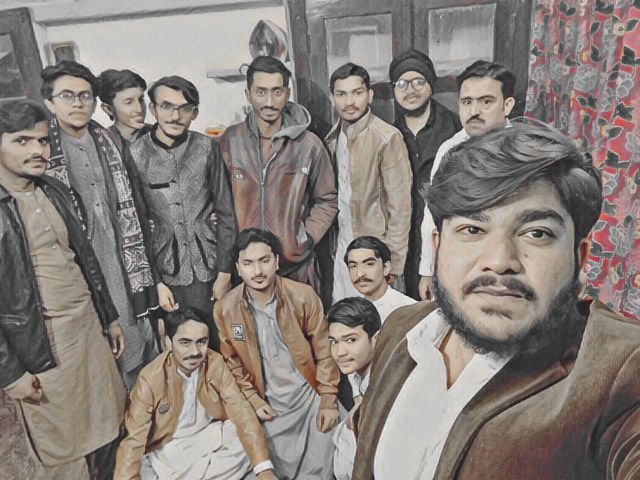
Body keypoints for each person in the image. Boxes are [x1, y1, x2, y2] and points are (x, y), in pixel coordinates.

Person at [351, 122, 640, 479]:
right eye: (473, 229)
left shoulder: (623, 367)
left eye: (537, 233)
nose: (500, 260)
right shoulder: (400, 328)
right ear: (437, 248)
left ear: (579, 259)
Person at [0, 99, 125, 479]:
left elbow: (84, 259)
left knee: (109, 428)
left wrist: (109, 318)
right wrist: (9, 373)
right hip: (42, 347)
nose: (37, 150)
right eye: (22, 141)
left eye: (42, 140)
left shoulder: (53, 189)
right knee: (64, 451)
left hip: (87, 331)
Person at [41, 60, 158, 390]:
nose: (77, 103)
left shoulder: (109, 140)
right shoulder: (42, 150)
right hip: (76, 268)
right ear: (50, 102)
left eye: (85, 96)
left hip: (121, 261)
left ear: (95, 102)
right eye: (67, 95)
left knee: (137, 340)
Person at [214, 228, 340, 479]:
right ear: (238, 269)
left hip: (308, 398)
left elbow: (325, 351)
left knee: (328, 461)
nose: (257, 271)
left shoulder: (302, 296)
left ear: (276, 262)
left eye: (264, 260)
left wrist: (327, 399)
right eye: (248, 263)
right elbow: (232, 362)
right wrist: (254, 400)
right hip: (267, 406)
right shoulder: (226, 309)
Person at [129, 75, 236, 350]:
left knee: (220, 343)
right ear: (153, 109)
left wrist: (225, 272)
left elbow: (226, 212)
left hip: (210, 267)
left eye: (184, 108)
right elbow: (137, 225)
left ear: (195, 113)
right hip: (166, 271)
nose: (175, 116)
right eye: (167, 106)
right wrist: (156, 283)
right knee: (181, 346)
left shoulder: (207, 147)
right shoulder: (135, 154)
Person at [114, 307, 277, 480]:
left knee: (246, 436)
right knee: (144, 468)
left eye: (201, 342)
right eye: (185, 343)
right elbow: (133, 440)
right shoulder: (151, 378)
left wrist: (264, 469)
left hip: (207, 436)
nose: (195, 352)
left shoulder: (214, 362)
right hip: (169, 450)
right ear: (168, 342)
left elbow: (240, 409)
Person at [220, 56, 337, 292]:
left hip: (295, 269)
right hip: (246, 269)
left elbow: (327, 200)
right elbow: (218, 201)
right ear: (248, 94)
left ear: (287, 93)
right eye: (261, 92)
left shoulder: (309, 145)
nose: (269, 102)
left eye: (277, 92)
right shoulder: (229, 141)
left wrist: (303, 240)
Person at [418, 60, 515, 300]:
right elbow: (432, 214)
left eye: (486, 102)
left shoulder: (522, 150)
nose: (474, 111)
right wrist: (428, 270)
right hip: (458, 263)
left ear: (507, 105)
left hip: (506, 264)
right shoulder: (449, 150)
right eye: (467, 102)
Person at [325, 62, 412, 303]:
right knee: (346, 318)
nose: (349, 102)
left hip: (376, 254)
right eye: (341, 94)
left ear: (370, 95)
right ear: (333, 98)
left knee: (380, 320)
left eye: (357, 92)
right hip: (342, 253)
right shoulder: (331, 139)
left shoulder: (387, 137)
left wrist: (393, 265)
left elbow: (400, 208)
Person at [389, 49, 461, 300]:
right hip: (405, 245)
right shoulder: (388, 134)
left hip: (444, 240)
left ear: (431, 86)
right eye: (402, 84)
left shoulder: (456, 130)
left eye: (418, 81)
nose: (410, 90)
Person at [327, 297, 381, 480]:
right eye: (334, 342)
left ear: (376, 339)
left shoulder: (382, 386)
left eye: (350, 340)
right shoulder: (357, 374)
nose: (340, 352)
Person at [345, 235, 416, 322]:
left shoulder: (410, 310)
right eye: (353, 266)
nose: (359, 274)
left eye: (369, 264)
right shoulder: (348, 310)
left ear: (386, 267)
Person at [97, 68, 152, 151]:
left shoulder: (161, 137)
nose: (139, 109)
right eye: (129, 102)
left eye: (141, 99)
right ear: (108, 109)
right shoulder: (100, 144)